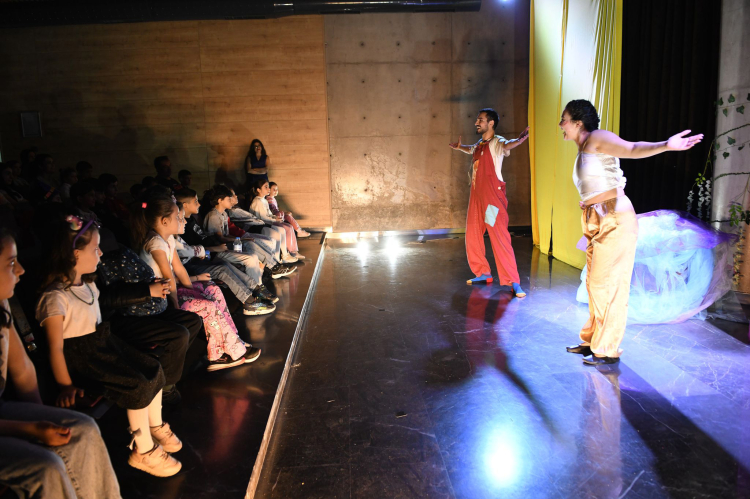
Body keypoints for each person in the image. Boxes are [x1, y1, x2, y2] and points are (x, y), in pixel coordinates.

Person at [36, 214, 183, 476]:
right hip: (83, 357)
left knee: (152, 367)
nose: (101, 253)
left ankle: (155, 425)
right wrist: (66, 385)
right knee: (136, 384)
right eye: (95, 248)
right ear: (75, 254)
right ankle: (143, 451)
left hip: (104, 343)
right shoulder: (55, 297)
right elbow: (55, 348)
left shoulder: (89, 284)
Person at [559, 99, 703, 365]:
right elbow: (599, 182)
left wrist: (666, 145)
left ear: (578, 123)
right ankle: (593, 340)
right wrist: (589, 201)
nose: (561, 125)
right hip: (596, 217)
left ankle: (607, 349)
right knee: (594, 283)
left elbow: (633, 148)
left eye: (564, 120)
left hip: (614, 218)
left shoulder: (597, 137)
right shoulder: (584, 148)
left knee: (608, 283)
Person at [0, 229, 122, 498]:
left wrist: (42, 416)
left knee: (83, 429)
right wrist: (31, 429)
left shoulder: (2, 306)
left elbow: (22, 369)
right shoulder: (55, 297)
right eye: (10, 263)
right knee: (46, 467)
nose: (21, 270)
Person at [132, 192, 256, 371]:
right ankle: (218, 355)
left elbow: (179, 269)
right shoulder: (155, 243)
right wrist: (176, 308)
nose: (182, 220)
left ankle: (232, 340)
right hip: (161, 297)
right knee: (208, 306)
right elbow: (168, 277)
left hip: (172, 289)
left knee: (212, 289)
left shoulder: (167, 239)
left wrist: (194, 289)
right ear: (165, 221)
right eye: (178, 217)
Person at [449, 108, 528, 296]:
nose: (477, 123)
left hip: (492, 200)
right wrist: (460, 147)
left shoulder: (497, 142)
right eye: (477, 120)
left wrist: (519, 141)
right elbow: (471, 149)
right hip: (477, 197)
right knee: (473, 235)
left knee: (498, 236)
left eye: (481, 120)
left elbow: (507, 145)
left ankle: (513, 281)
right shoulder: (480, 144)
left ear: (491, 123)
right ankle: (483, 272)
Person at [174, 201, 276, 315]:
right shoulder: (170, 242)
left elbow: (191, 250)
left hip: (198, 261)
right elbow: (189, 251)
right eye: (180, 219)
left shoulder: (177, 238)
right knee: (222, 270)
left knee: (225, 265)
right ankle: (249, 302)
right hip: (191, 267)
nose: (184, 221)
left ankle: (255, 288)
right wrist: (205, 252)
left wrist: (203, 252)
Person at [250, 179, 304, 260]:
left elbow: (269, 214)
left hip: (265, 224)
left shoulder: (264, 200)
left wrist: (276, 218)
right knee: (277, 234)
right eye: (266, 187)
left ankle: (285, 255)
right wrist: (275, 220)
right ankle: (276, 259)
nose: (268, 189)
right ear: (258, 190)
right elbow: (263, 217)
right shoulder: (257, 201)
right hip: (258, 226)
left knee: (282, 230)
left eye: (268, 187)